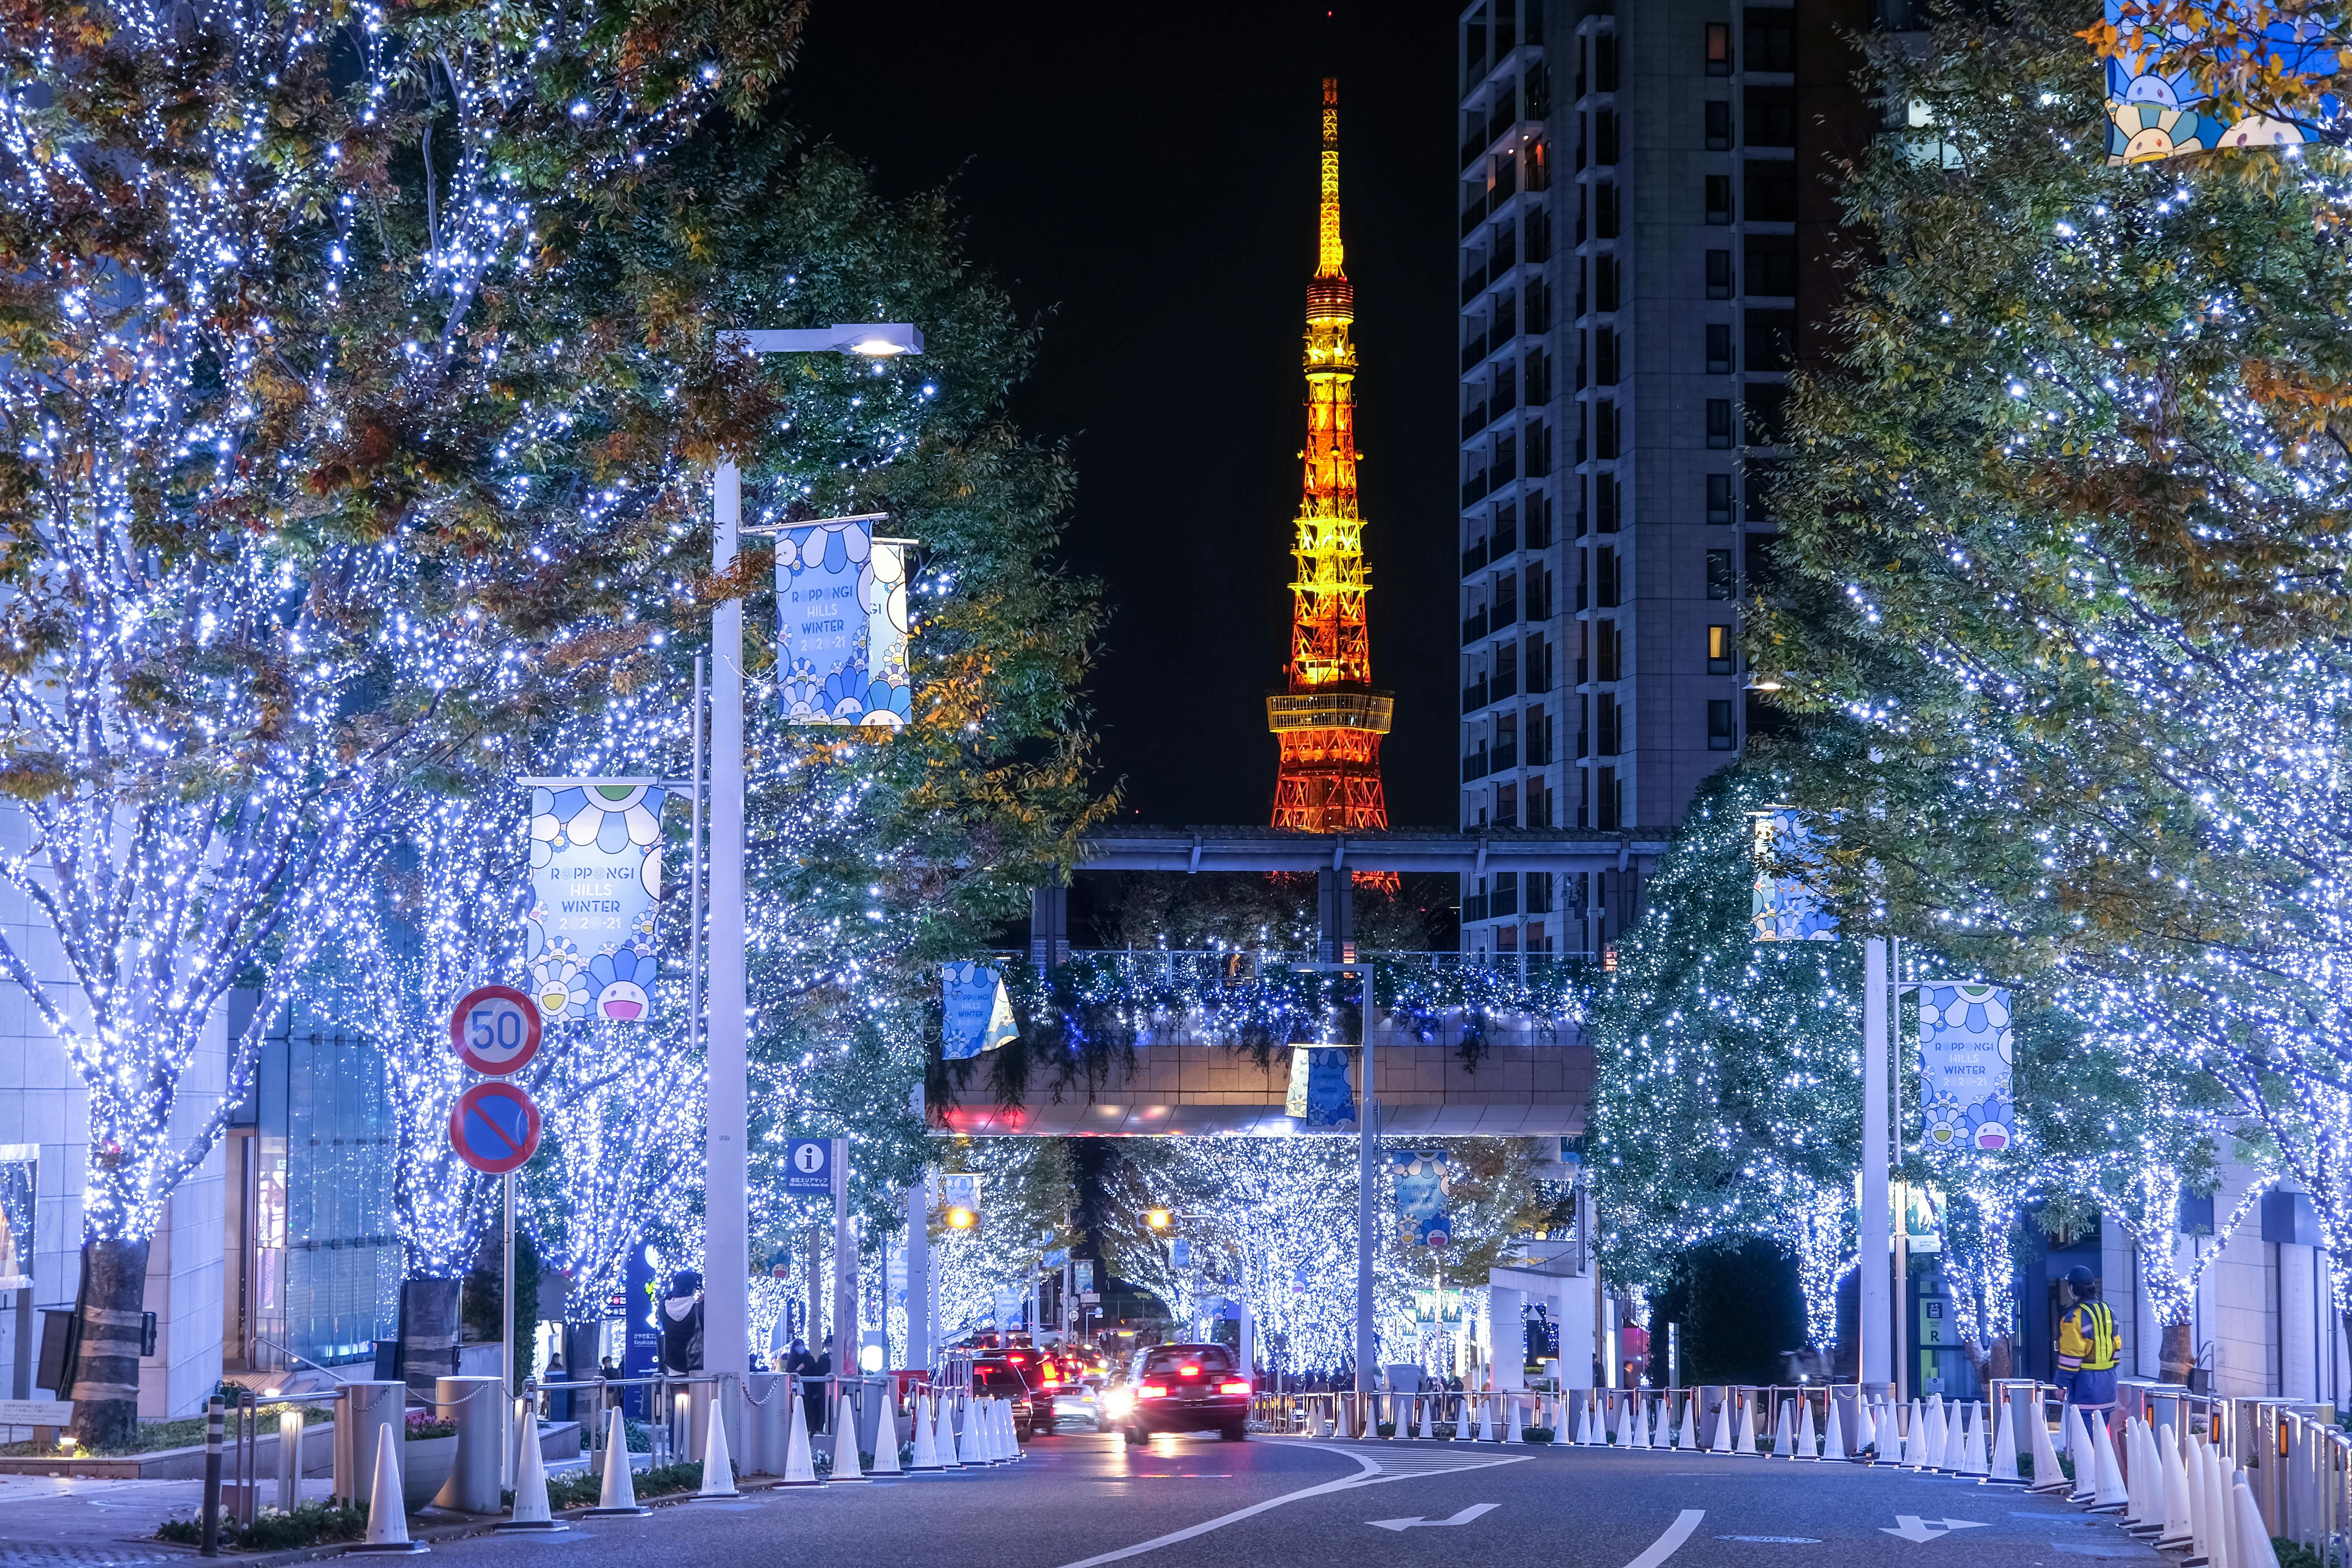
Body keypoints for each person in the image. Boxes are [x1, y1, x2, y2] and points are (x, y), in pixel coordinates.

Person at [2054, 1265, 2122, 1416]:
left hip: (2085, 1388)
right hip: (2108, 1385)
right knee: (2102, 1437)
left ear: (2072, 1289)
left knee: (2084, 1437)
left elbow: (2071, 1357)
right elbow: (2116, 1348)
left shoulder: (2074, 1318)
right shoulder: (2108, 1312)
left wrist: (2061, 1385)